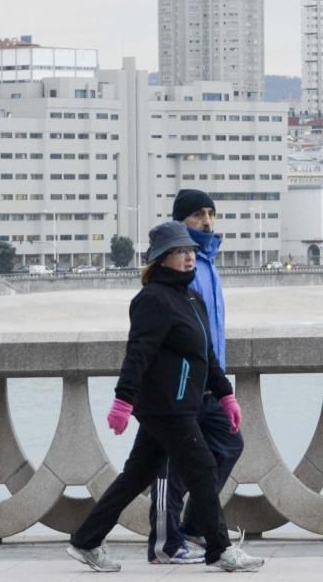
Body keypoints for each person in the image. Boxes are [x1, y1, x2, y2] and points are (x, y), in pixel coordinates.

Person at [67, 221, 263, 573]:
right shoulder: (152, 300)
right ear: (161, 259)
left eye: (190, 251)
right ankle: (219, 549)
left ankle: (86, 540)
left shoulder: (191, 297)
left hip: (181, 403)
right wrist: (122, 402)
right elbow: (137, 353)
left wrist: (226, 396)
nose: (188, 257)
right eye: (179, 252)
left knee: (137, 474)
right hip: (166, 407)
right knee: (202, 468)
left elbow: (206, 355)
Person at [146, 190, 245, 564]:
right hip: (181, 386)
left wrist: (221, 386)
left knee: (229, 444)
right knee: (170, 465)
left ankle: (194, 525)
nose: (207, 221)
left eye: (211, 214)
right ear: (179, 222)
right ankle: (166, 543)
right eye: (198, 215)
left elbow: (209, 330)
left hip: (210, 384)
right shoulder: (182, 265)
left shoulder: (208, 262)